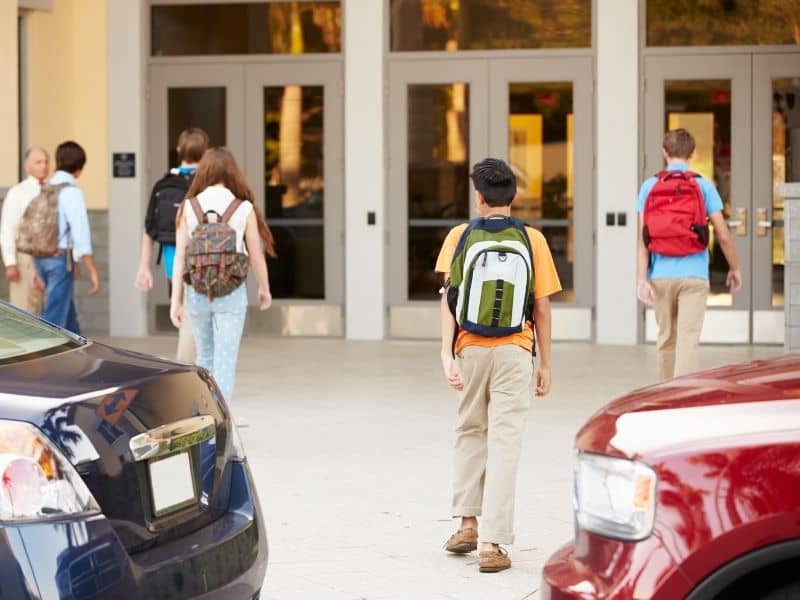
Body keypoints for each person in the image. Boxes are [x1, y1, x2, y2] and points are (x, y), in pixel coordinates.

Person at [436, 158, 562, 573]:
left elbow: (449, 297)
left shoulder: (461, 234)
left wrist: (445, 353)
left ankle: (467, 523)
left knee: (469, 430)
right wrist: (544, 363)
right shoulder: (532, 240)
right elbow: (541, 307)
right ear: (513, 196)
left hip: (470, 348)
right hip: (515, 350)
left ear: (478, 195)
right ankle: (492, 543)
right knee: (505, 442)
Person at [169, 147, 275, 405]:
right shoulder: (243, 207)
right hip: (232, 291)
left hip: (197, 291)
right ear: (231, 172)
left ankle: (206, 414)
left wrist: (175, 302)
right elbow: (256, 255)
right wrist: (264, 288)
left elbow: (180, 256)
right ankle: (222, 422)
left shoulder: (188, 207)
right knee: (225, 360)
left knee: (204, 357)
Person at [636, 128, 742, 380]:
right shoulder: (703, 185)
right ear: (692, 153)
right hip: (694, 275)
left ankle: (664, 394)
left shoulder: (649, 186)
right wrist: (735, 268)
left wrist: (641, 278)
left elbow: (643, 239)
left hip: (660, 275)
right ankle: (682, 398)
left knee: (666, 338)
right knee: (688, 339)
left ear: (665, 152)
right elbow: (723, 235)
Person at [136, 128, 209, 362]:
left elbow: (150, 227)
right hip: (207, 257)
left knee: (185, 312)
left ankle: (195, 364)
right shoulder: (209, 183)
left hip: (172, 259)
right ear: (205, 152)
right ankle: (192, 367)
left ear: (179, 151)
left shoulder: (163, 184)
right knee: (198, 318)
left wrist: (144, 267)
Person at [34, 141, 100, 334]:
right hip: (59, 260)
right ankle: (45, 363)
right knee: (53, 322)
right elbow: (81, 236)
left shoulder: (46, 188)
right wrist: (93, 271)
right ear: (79, 167)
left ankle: (79, 355)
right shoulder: (71, 192)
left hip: (41, 258)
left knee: (66, 315)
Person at [0, 147, 49, 313]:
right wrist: (10, 264)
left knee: (51, 311)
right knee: (24, 311)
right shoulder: (18, 192)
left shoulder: (52, 190)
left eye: (46, 162)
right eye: (38, 162)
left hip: (50, 258)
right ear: (27, 166)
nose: (44, 166)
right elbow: (8, 228)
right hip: (25, 259)